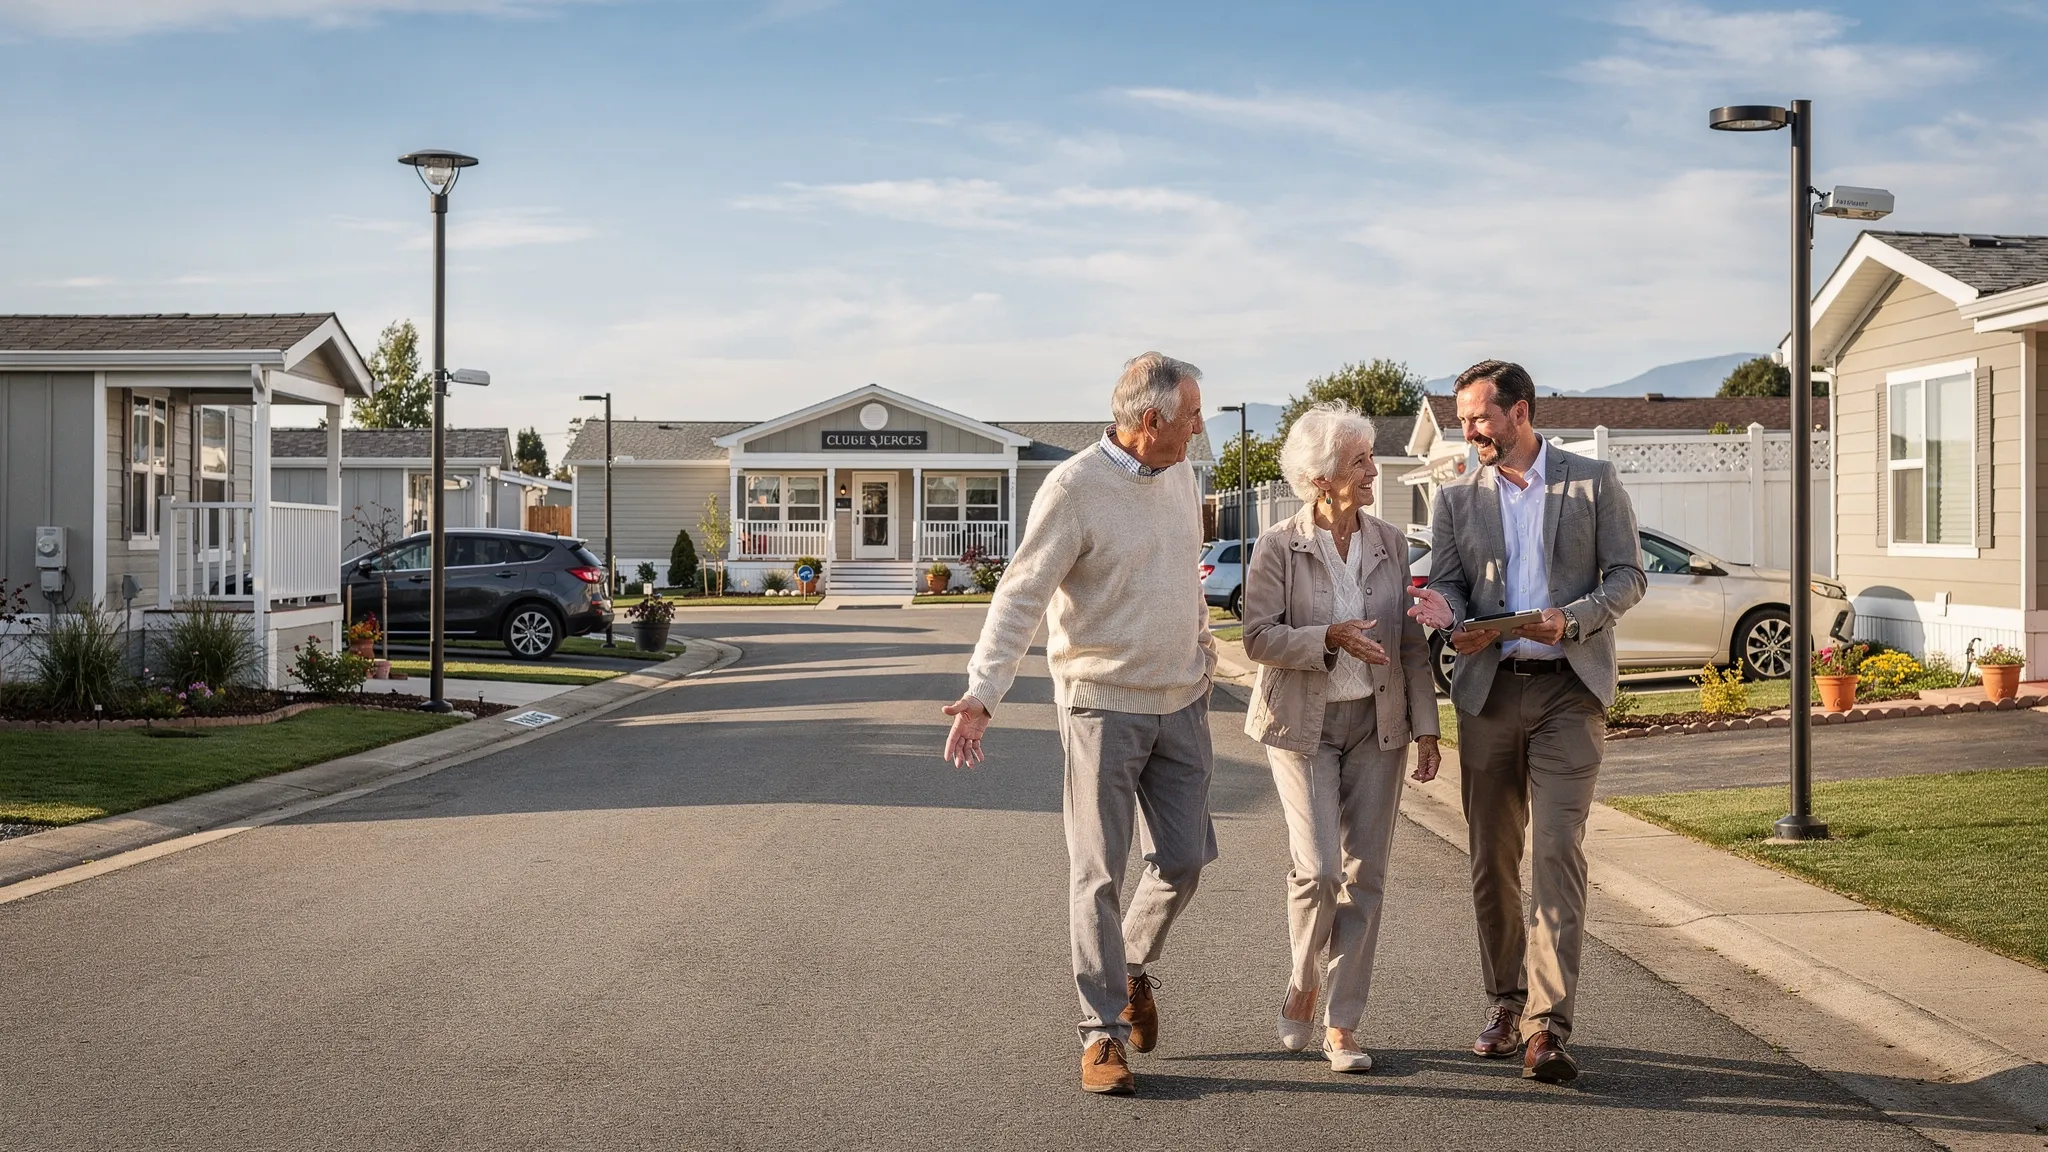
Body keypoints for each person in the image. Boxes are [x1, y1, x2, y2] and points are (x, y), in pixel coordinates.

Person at [942, 351, 1218, 1096]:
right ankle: (1102, 1036)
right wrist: (982, 693)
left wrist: (1201, 642)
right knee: (1098, 873)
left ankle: (1129, 968)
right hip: (1101, 703)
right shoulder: (1073, 489)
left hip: (1183, 699)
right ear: (1151, 419)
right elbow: (1021, 596)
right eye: (1192, 413)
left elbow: (1186, 571)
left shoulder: (1183, 475)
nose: (1200, 425)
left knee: (1186, 859)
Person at [1406, 360, 1644, 1083]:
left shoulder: (1591, 482)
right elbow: (1444, 580)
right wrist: (1446, 613)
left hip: (1569, 691)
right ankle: (1506, 1004)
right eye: (1463, 419)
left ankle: (1548, 1026)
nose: (1469, 431)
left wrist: (1567, 622)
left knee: (1556, 855)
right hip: (1488, 693)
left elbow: (1628, 577)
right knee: (1491, 862)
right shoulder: (1455, 498)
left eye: (1480, 417)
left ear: (1520, 412)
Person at [1240, 402, 1441, 1074]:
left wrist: (1429, 727)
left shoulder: (1390, 541)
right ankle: (1304, 980)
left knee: (1367, 876)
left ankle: (1343, 1023)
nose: (1374, 470)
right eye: (1360, 461)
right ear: (1322, 478)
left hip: (1377, 727)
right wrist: (1327, 637)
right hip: (1303, 724)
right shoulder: (1278, 545)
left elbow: (1411, 642)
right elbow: (1258, 637)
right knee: (1321, 868)